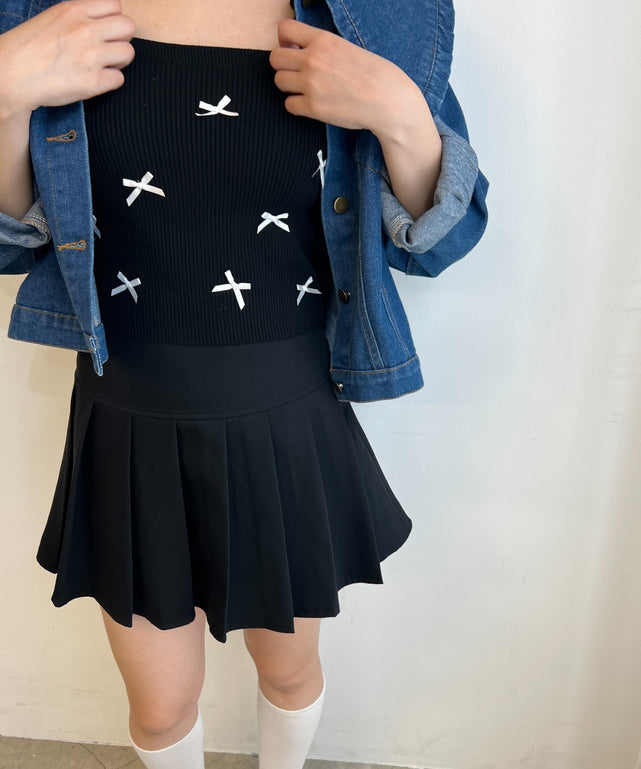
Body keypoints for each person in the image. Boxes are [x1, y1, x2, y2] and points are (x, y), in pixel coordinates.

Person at [0, 0, 489, 767]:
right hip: (127, 415)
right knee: (160, 708)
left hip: (286, 416)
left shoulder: (378, 15)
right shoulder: (37, 12)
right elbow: (14, 242)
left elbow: (440, 240)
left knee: (289, 671)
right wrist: (3, 95)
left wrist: (398, 112)